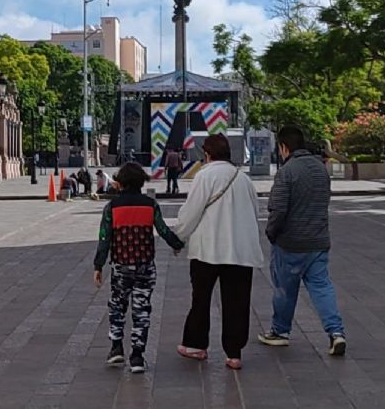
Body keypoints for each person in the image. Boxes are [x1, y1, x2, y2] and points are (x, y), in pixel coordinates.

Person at [174, 134, 263, 370]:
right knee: (237, 301)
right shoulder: (243, 179)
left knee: (201, 298)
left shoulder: (205, 176)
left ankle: (195, 344)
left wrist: (178, 237)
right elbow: (255, 213)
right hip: (240, 251)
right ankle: (234, 353)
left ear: (207, 154)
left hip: (208, 249)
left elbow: (192, 211)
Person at [258, 126, 347, 357]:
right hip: (318, 240)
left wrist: (271, 232)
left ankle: (280, 332)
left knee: (285, 289)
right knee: (322, 287)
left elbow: (278, 208)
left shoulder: (287, 172)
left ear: (284, 147)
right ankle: (336, 332)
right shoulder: (320, 169)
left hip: (290, 241)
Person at [93, 162, 184, 374]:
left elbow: (104, 239)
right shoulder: (150, 205)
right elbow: (162, 230)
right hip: (145, 267)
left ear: (121, 183)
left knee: (117, 306)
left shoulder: (112, 208)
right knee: (141, 310)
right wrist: (177, 245)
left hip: (121, 266)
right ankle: (137, 355)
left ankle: (116, 347)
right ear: (142, 182)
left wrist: (98, 265)